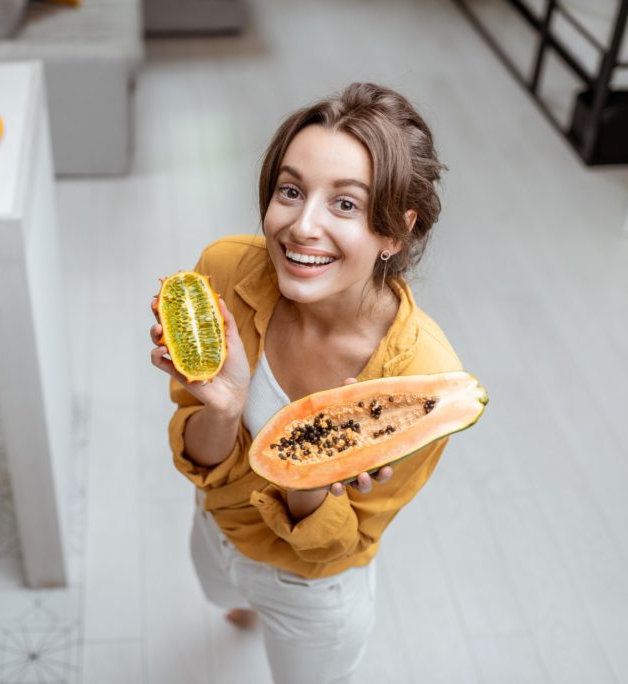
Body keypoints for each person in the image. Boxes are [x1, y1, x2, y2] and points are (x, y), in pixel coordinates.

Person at [149, 83, 462, 684]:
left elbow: (335, 546)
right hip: (216, 528)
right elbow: (199, 460)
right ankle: (237, 607)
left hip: (311, 589)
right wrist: (224, 406)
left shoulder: (422, 381)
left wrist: (311, 474)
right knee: (222, 596)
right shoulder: (223, 270)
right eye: (290, 191)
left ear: (394, 231)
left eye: (345, 204)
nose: (300, 226)